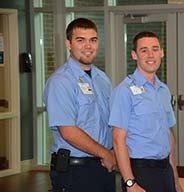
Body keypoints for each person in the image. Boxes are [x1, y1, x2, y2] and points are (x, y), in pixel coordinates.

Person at [43, 18, 116, 192]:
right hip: (74, 172)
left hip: (104, 168)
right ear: (68, 44)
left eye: (93, 40)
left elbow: (110, 123)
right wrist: (105, 153)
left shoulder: (102, 79)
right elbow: (68, 131)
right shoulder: (60, 81)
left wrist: (114, 152)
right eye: (80, 40)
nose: (88, 46)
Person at [108, 31, 183, 192]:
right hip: (140, 173)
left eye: (155, 49)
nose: (151, 55)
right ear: (134, 55)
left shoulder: (163, 90)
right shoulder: (124, 91)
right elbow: (117, 140)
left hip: (165, 171)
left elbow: (168, 134)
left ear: (162, 53)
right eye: (144, 50)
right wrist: (130, 183)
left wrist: (175, 178)